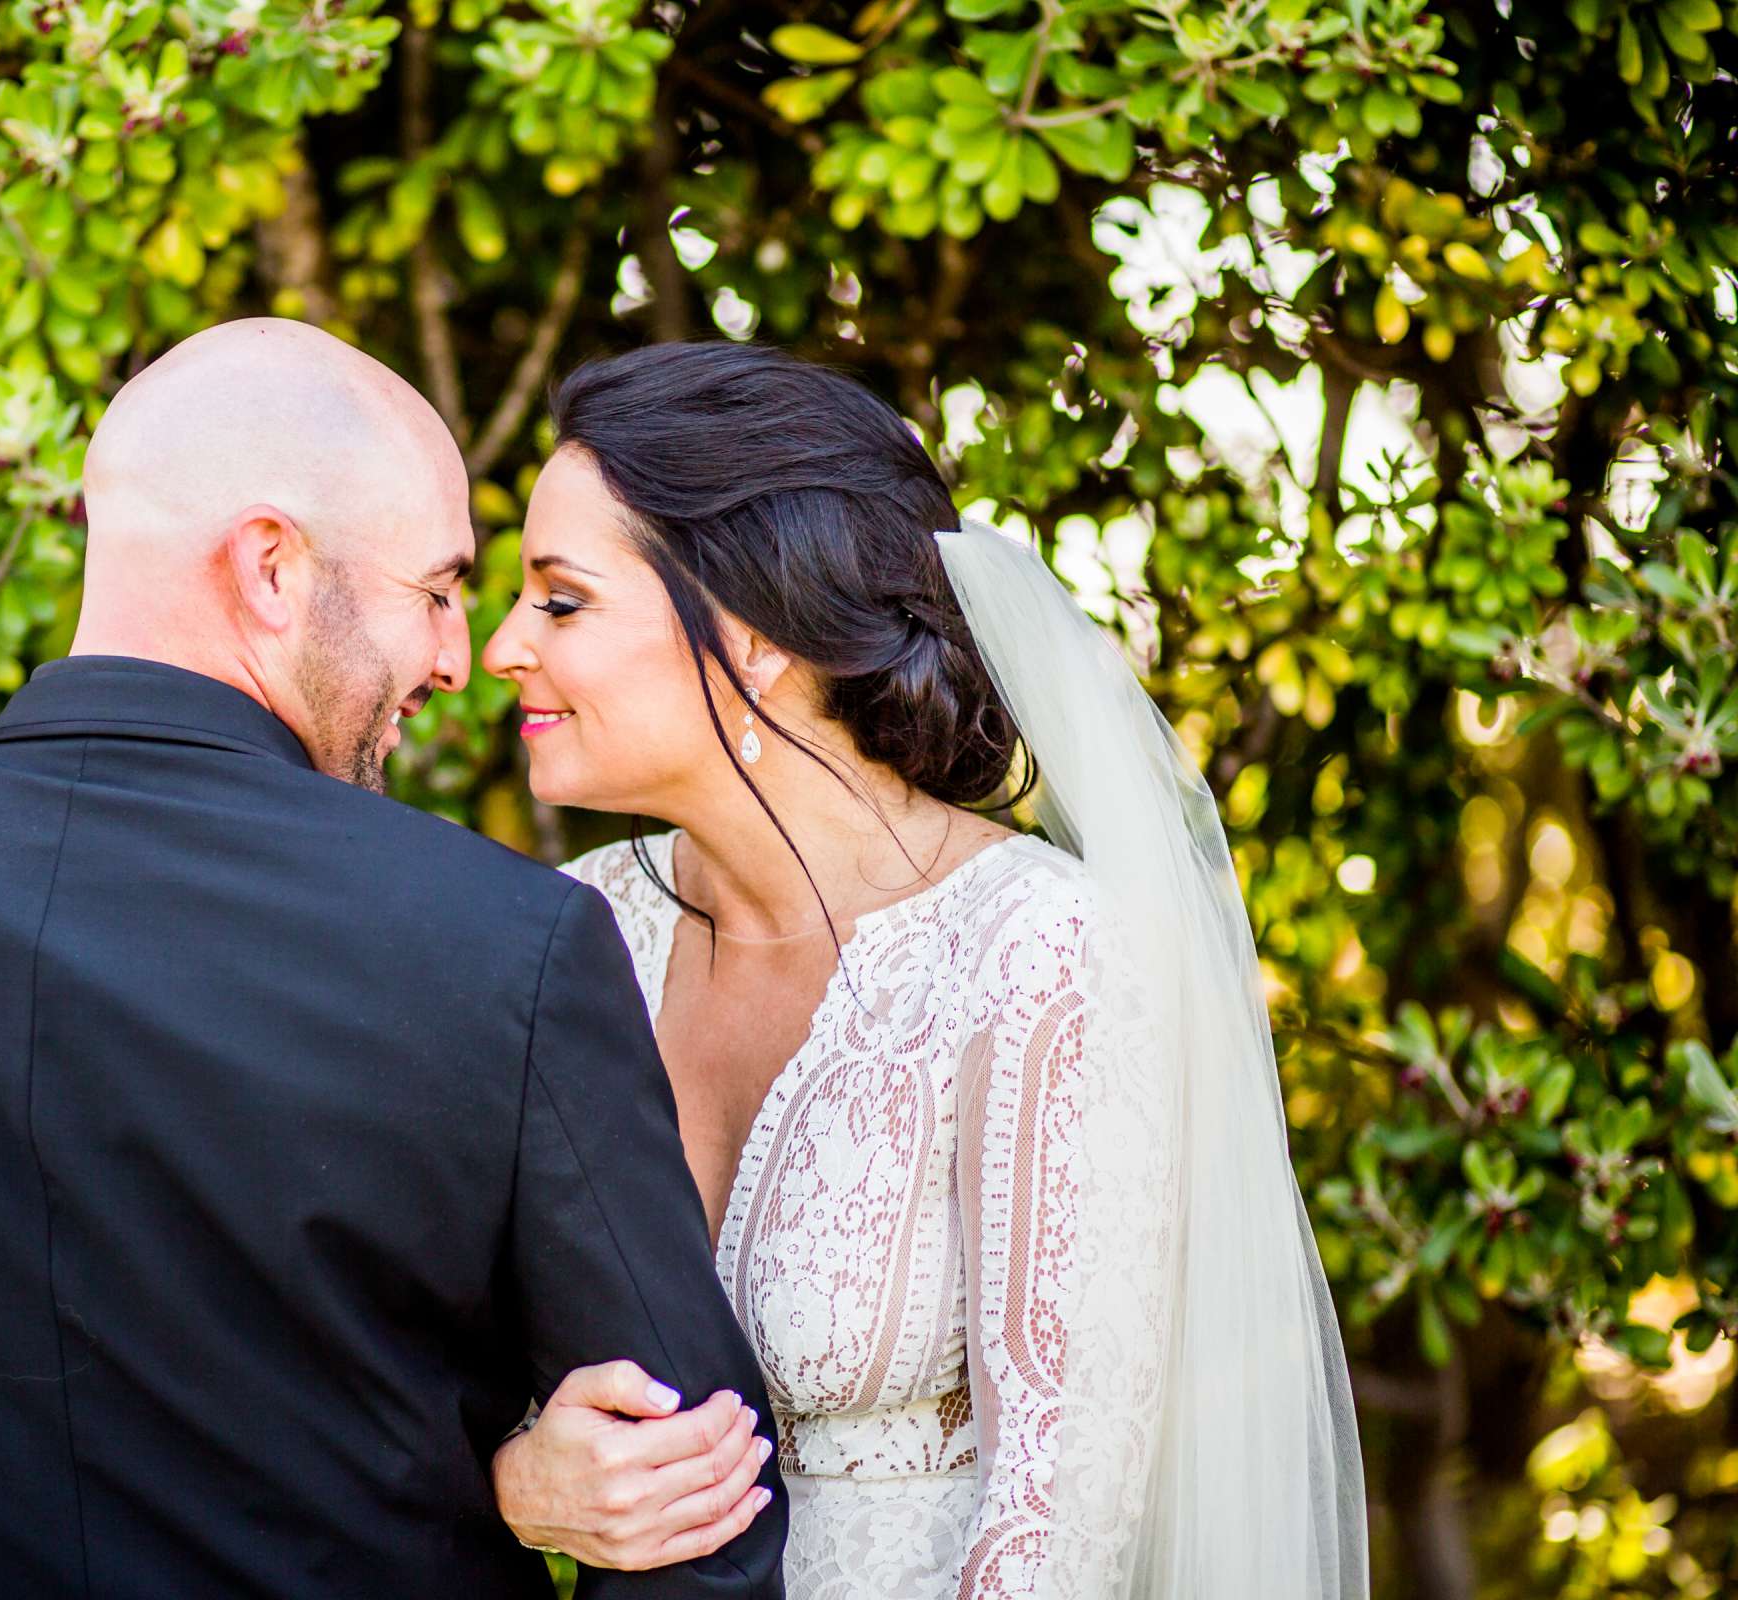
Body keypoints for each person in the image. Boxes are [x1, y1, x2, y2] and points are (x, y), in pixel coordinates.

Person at [0, 319, 785, 1597]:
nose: (449, 654)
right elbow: (698, 1505)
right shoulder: (504, 944)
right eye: (434, 589)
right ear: (271, 568)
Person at [483, 341, 1368, 1598]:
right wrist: (521, 1480)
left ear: (751, 639)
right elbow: (421, 1376)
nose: (505, 644)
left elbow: (1053, 1531)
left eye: (561, 601)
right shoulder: (573, 932)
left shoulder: (1037, 956)